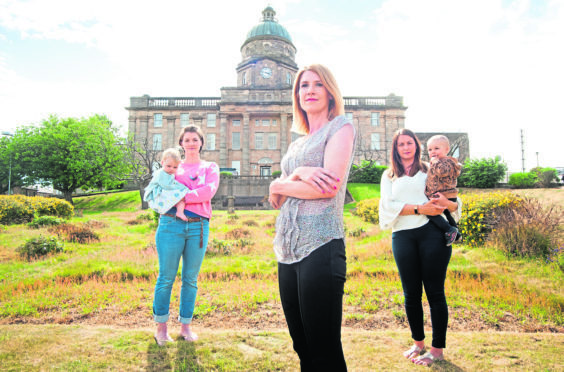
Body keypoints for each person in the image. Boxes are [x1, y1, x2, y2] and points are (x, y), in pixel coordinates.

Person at [269, 64, 355, 371]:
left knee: (324, 348)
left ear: (330, 92)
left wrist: (284, 183)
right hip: (287, 250)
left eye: (318, 85)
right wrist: (297, 174)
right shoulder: (296, 144)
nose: (310, 90)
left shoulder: (341, 128)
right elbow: (276, 197)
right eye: (303, 85)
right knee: (301, 344)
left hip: (321, 246)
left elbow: (329, 189)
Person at [378, 129, 461, 367]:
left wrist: (447, 204)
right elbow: (387, 206)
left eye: (410, 143)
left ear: (417, 145)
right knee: (411, 294)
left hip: (432, 235)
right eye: (401, 144)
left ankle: (436, 350)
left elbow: (453, 199)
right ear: (395, 148)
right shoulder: (389, 175)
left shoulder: (431, 168)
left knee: (435, 293)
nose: (406, 147)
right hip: (402, 237)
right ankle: (418, 343)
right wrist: (418, 208)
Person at [152, 125, 220, 346]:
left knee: (190, 280)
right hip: (171, 225)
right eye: (186, 140)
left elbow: (209, 191)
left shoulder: (210, 166)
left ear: (201, 142)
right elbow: (159, 192)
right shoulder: (173, 167)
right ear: (181, 143)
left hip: (198, 227)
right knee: (166, 279)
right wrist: (189, 196)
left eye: (195, 139)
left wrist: (180, 195)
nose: (191, 143)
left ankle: (185, 327)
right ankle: (161, 329)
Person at [424, 135, 462, 245]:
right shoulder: (437, 163)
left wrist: (435, 163)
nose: (433, 152)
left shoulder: (448, 162)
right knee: (447, 215)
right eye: (430, 150)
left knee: (431, 213)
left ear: (447, 150)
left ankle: (449, 230)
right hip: (442, 194)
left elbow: (443, 172)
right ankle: (456, 233)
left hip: (446, 194)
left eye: (436, 148)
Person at [144, 148, 189, 221]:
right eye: (168, 166)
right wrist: (181, 187)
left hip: (163, 190)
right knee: (181, 194)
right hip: (157, 193)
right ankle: (177, 212)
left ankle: (179, 212)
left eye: (175, 167)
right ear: (162, 163)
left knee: (181, 198)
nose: (171, 169)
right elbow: (166, 185)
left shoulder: (169, 173)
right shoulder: (161, 173)